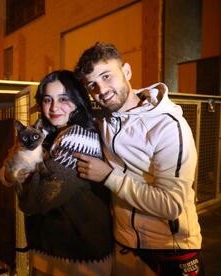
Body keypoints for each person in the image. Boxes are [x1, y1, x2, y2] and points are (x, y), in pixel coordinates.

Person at [73, 42, 203, 275]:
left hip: (170, 248)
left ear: (127, 71)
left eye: (107, 76)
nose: (101, 90)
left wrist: (108, 176)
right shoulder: (104, 119)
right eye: (92, 84)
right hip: (123, 242)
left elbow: (170, 205)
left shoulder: (168, 126)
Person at [0, 70, 114, 275]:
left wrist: (16, 176)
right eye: (47, 100)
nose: (53, 108)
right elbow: (9, 169)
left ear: (78, 101)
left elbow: (37, 200)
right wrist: (12, 174)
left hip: (81, 254)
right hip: (50, 248)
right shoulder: (48, 132)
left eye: (63, 99)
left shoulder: (79, 137)